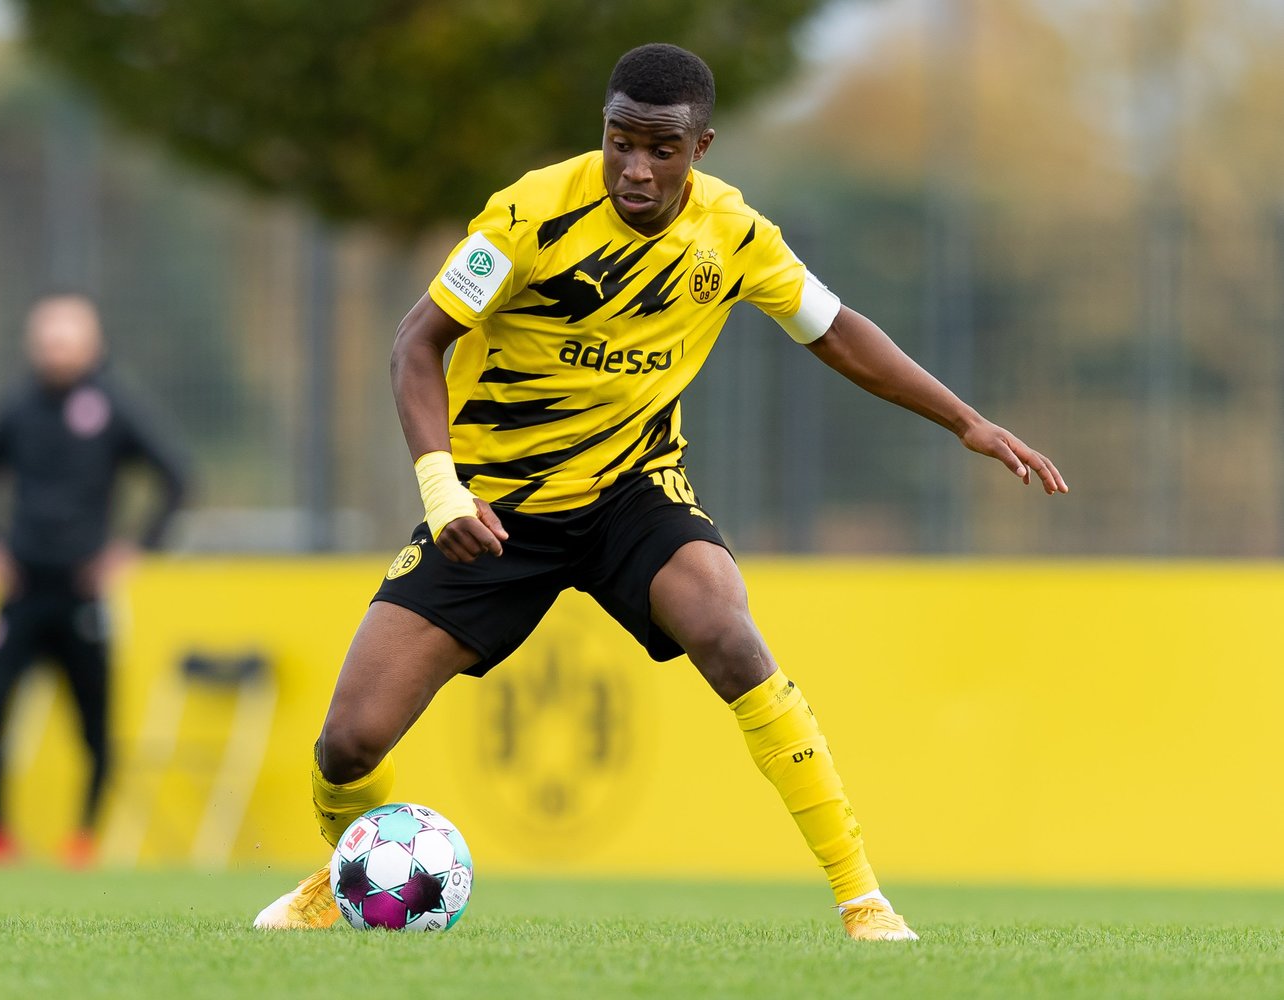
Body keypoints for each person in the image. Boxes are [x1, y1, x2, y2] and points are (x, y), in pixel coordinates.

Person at [253, 44, 1067, 940]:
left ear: (701, 147)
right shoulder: (529, 214)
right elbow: (417, 342)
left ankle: (862, 899)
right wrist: (442, 489)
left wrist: (965, 422)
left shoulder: (735, 235)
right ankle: (344, 875)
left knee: (727, 630)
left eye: (661, 148)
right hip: (491, 507)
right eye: (620, 141)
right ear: (603, 130)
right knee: (350, 741)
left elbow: (836, 331)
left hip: (630, 492)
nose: (636, 168)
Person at [0, 294, 190, 866]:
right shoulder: (16, 407)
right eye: (47, 338)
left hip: (83, 592)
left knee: (94, 723)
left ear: (93, 343)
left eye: (67, 338)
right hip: (20, 591)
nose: (56, 349)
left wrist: (136, 549)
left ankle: (84, 837)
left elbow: (176, 476)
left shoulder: (114, 405)